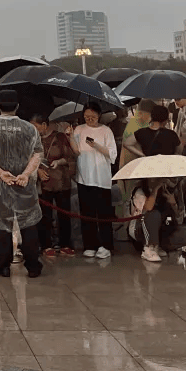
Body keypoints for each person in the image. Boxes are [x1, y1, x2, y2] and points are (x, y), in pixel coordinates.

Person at [0, 91, 44, 277]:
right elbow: (38, 153)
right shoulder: (30, 129)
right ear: (17, 106)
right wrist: (26, 174)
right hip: (24, 184)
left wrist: (0, 172)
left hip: (0, 183)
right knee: (28, 225)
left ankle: (3, 266)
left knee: (3, 226)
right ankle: (33, 266)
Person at [71, 102, 118, 259]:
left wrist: (96, 145)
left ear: (99, 115)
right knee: (87, 212)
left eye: (92, 116)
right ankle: (89, 245)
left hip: (101, 178)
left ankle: (106, 245)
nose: (89, 119)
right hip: (84, 176)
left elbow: (112, 154)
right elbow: (76, 151)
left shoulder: (106, 131)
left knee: (103, 213)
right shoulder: (79, 129)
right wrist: (69, 136)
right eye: (86, 117)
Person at [29, 114, 76, 256]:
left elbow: (70, 157)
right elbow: (28, 160)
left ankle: (65, 244)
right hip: (44, 182)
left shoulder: (60, 137)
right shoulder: (32, 141)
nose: (35, 130)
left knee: (64, 214)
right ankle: (46, 245)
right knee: (44, 215)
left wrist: (59, 162)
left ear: (44, 125)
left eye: (36, 127)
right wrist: (37, 171)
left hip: (61, 180)